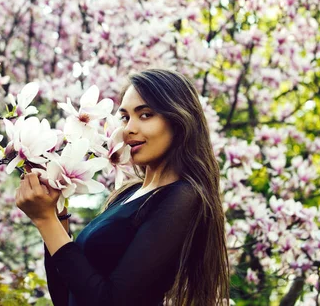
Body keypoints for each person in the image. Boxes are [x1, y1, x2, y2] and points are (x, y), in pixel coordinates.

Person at [16, 69, 230, 306]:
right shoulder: (128, 194)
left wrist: (45, 220)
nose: (129, 128)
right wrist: (57, 215)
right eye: (126, 117)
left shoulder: (183, 197)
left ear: (180, 121)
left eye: (146, 115)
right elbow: (66, 298)